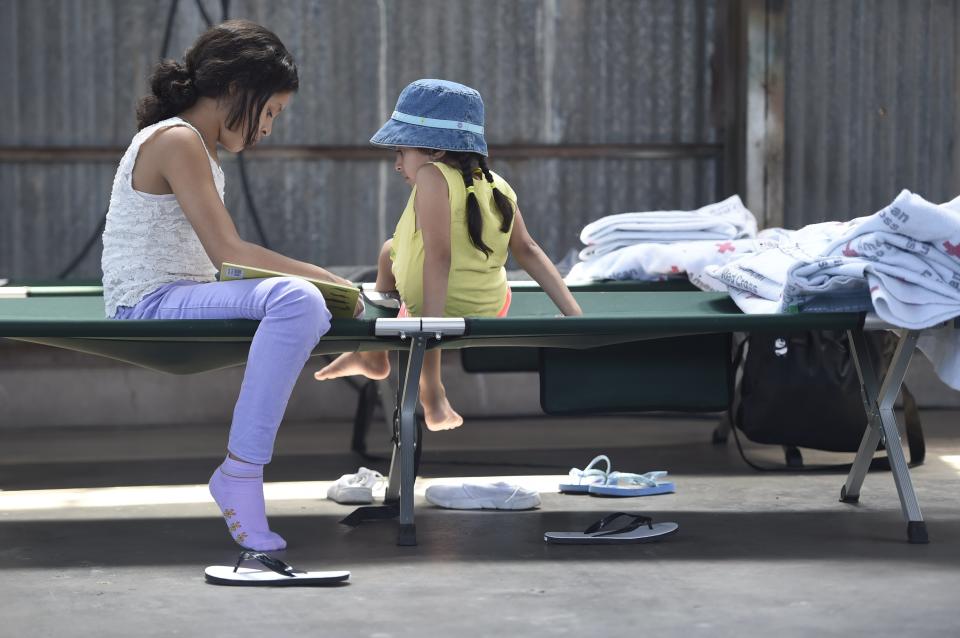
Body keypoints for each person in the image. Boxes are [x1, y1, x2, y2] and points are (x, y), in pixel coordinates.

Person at [102, 20, 359, 551]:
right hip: (148, 302)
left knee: (299, 299)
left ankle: (240, 473)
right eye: (271, 111)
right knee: (298, 298)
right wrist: (330, 280)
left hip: (177, 294)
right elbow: (230, 254)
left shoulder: (196, 143)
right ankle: (239, 475)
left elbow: (225, 265)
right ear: (238, 89)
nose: (268, 129)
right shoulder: (178, 139)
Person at [315, 79, 582, 430]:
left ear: (436, 152)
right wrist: (574, 316)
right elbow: (529, 250)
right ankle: (374, 357)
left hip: (445, 309)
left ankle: (432, 394)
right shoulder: (496, 184)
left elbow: (439, 258)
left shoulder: (430, 176)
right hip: (492, 306)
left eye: (401, 152)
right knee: (388, 251)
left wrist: (431, 328)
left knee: (422, 284)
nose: (397, 165)